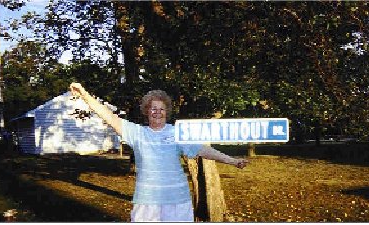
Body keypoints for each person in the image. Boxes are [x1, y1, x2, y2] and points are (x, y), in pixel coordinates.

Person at [69, 83, 248, 222]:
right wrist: (84, 94)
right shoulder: (136, 133)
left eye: (161, 109)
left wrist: (231, 160)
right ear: (147, 111)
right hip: (146, 202)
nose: (157, 112)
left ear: (167, 112)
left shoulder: (176, 132)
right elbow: (108, 116)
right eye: (153, 108)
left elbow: (202, 150)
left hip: (178, 202)